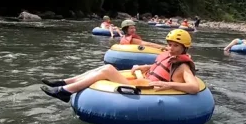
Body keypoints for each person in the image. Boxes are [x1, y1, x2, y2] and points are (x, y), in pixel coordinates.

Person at [41, 29, 199, 102]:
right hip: (143, 81)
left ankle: (65, 92)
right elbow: (158, 67)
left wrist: (167, 84)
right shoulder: (168, 55)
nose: (171, 48)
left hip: (148, 89)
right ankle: (65, 82)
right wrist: (144, 67)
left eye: (176, 46)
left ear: (184, 48)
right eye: (170, 45)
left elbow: (194, 87)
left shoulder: (183, 66)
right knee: (101, 69)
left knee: (108, 69)